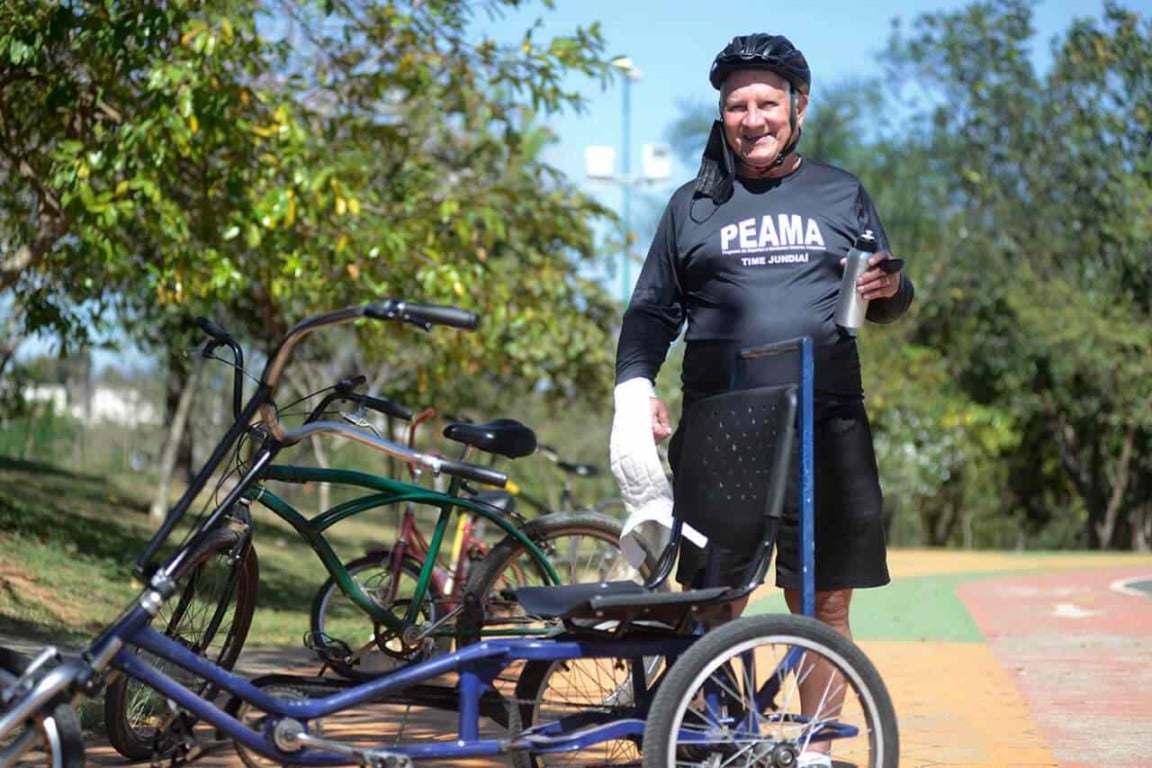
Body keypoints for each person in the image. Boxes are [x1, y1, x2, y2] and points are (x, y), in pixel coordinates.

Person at [610, 32, 914, 766]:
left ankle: (813, 751)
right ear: (724, 114)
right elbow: (652, 310)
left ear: (797, 108)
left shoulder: (842, 192)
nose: (752, 117)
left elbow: (887, 300)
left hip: (827, 425)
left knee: (827, 602)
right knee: (716, 599)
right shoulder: (692, 206)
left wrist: (891, 291)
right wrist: (634, 387)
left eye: (767, 103)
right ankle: (707, 741)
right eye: (738, 104)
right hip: (723, 428)